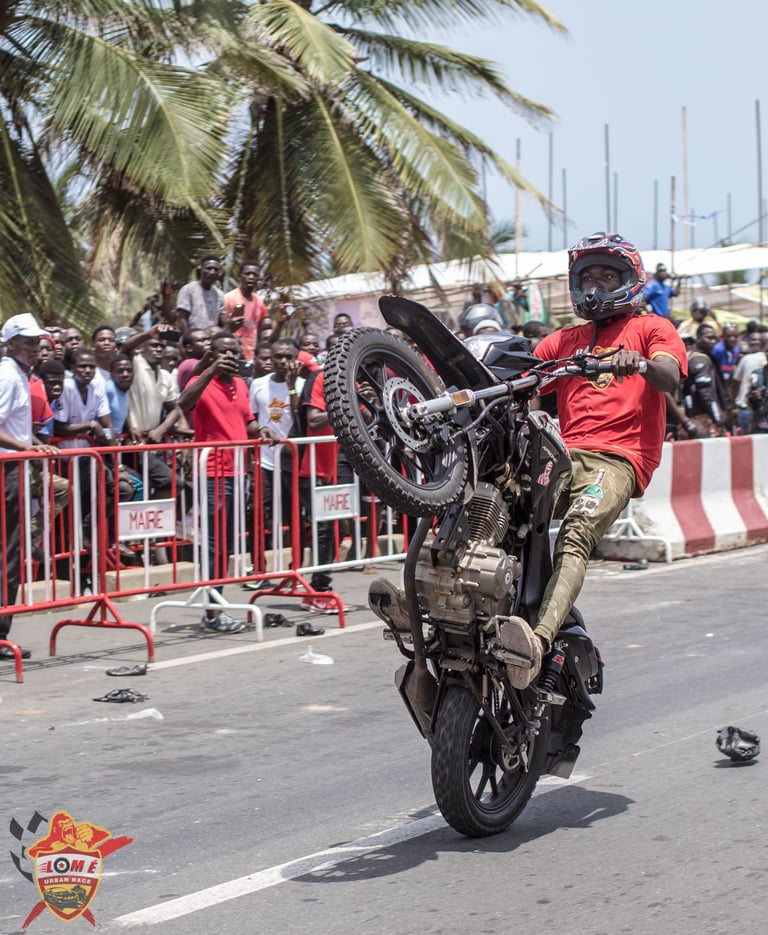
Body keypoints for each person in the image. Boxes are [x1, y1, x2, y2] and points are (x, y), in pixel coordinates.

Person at [502, 233, 687, 687]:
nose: (595, 286)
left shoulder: (652, 329)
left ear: (629, 280)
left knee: (577, 533)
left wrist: (640, 364)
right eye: (588, 277)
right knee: (494, 504)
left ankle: (536, 641)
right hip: (562, 452)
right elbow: (521, 378)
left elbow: (669, 377)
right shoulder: (564, 339)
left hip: (618, 459)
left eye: (607, 276)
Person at [177, 332, 259, 633]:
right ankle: (212, 612)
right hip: (213, 472)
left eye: (233, 352)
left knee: (227, 542)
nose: (229, 357)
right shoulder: (201, 380)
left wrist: (263, 430)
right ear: (211, 354)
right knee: (215, 543)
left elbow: (247, 422)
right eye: (222, 352)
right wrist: (210, 370)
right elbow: (183, 403)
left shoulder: (240, 383)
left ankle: (216, 605)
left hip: (238, 471)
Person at [0, 313, 60, 659]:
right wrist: (26, 447)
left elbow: (14, 427)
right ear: (11, 344)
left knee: (10, 553)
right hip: (7, 471)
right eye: (28, 341)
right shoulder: (8, 377)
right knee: (8, 554)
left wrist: (33, 445)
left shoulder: (19, 376)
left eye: (37, 340)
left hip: (14, 468)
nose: (36, 346)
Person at [247, 338, 304, 587]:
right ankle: (259, 570)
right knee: (257, 513)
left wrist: (291, 387)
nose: (283, 361)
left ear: (296, 358)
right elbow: (250, 418)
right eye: (278, 356)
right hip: (265, 461)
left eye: (288, 357)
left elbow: (301, 419)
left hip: (292, 462)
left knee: (295, 516)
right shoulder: (258, 384)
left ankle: (296, 569)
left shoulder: (302, 384)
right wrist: (260, 429)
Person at [681, 324, 729, 437]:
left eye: (714, 338)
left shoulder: (699, 357)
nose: (713, 342)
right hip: (703, 417)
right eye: (709, 338)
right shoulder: (700, 360)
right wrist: (718, 418)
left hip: (693, 415)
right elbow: (706, 393)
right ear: (698, 338)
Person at [223, 260, 268, 362]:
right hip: (232, 354)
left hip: (252, 356)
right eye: (247, 274)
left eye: (255, 274)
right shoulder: (229, 298)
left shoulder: (259, 300)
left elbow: (261, 328)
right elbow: (222, 326)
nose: (251, 277)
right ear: (240, 276)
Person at [173, 255, 225, 333]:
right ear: (201, 269)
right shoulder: (188, 290)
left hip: (212, 338)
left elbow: (221, 319)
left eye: (216, 270)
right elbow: (182, 319)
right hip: (192, 336)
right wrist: (189, 337)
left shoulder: (219, 294)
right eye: (209, 268)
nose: (212, 272)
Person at [731, 333, 765, 435]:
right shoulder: (746, 358)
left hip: (749, 409)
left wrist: (733, 405)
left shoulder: (746, 359)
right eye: (752, 340)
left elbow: (735, 384)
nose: (755, 342)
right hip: (750, 409)